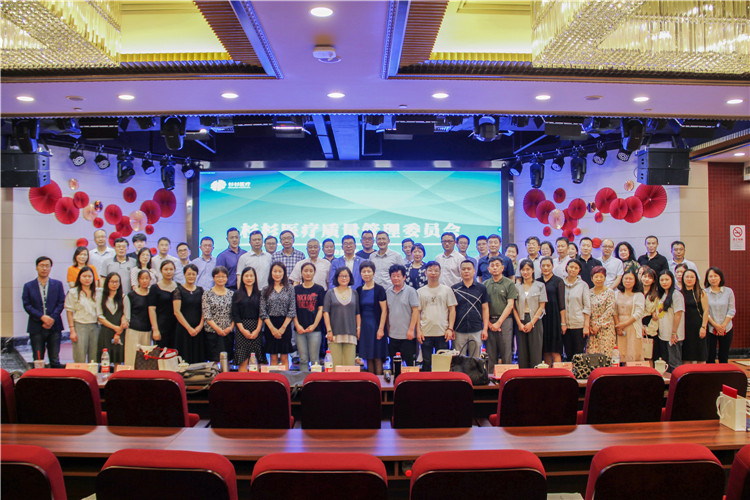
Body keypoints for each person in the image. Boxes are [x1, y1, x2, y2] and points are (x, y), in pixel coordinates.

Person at [22, 256, 65, 368]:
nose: (44, 268)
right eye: (41, 266)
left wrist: (52, 318)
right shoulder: (28, 286)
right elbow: (27, 305)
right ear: (36, 267)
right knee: (38, 360)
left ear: (50, 268)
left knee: (55, 359)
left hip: (54, 327)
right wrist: (42, 317)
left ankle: (56, 379)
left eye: (47, 266)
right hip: (36, 327)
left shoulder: (58, 284)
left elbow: (61, 303)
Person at [417, 261, 457, 372]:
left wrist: (450, 329)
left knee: (443, 365)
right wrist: (418, 330)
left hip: (443, 333)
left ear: (440, 273)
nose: (433, 273)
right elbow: (417, 312)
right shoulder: (420, 291)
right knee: (426, 363)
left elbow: (452, 310)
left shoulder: (447, 290)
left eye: (436, 270)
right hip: (425, 333)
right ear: (425, 272)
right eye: (430, 270)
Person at [484, 256, 517, 370]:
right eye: (492, 266)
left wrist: (498, 323)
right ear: (488, 269)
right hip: (489, 322)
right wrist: (488, 324)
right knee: (490, 355)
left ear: (502, 268)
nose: (495, 268)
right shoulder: (485, 284)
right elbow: (483, 306)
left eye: (497, 265)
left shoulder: (509, 283)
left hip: (505, 322)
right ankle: (490, 379)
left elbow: (510, 305)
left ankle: (507, 377)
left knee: (506, 353)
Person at [323, 267, 361, 367]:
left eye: (346, 276)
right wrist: (329, 330)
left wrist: (358, 328)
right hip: (334, 334)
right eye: (341, 276)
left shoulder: (355, 293)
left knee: (349, 366)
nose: (344, 278)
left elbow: (357, 313)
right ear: (336, 277)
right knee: (335, 366)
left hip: (350, 333)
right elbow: (326, 312)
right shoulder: (330, 293)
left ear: (350, 277)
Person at [261, 262, 296, 367]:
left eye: (280, 271)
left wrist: (282, 328)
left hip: (285, 324)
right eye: (275, 271)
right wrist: (272, 329)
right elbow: (263, 311)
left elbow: (292, 309)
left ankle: (285, 377)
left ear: (284, 273)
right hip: (270, 324)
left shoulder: (290, 288)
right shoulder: (265, 289)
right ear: (271, 273)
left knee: (285, 357)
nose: (277, 274)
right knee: (273, 357)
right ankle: (274, 377)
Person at [513, 259, 547, 368]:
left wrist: (532, 323)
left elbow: (542, 306)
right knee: (522, 353)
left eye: (528, 269)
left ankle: (535, 376)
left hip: (535, 321)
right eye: (523, 270)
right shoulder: (516, 287)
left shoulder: (540, 285)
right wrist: (519, 323)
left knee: (535, 352)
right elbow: (513, 307)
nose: (525, 272)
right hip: (521, 321)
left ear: (532, 270)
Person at [452, 260, 488, 358]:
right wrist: (451, 329)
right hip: (459, 330)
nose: (466, 271)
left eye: (469, 269)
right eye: (463, 269)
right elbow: (452, 311)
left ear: (474, 271)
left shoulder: (482, 288)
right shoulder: (454, 289)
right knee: (459, 361)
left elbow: (485, 309)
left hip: (476, 330)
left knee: (475, 361)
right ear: (460, 271)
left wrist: (485, 329)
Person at [356, 261, 388, 374]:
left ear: (373, 273)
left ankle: (380, 382)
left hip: (376, 325)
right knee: (368, 356)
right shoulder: (358, 290)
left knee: (378, 356)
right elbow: (358, 312)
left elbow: (384, 310)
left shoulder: (379, 289)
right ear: (360, 273)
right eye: (363, 271)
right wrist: (358, 328)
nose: (366, 274)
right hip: (364, 327)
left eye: (369, 271)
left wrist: (381, 329)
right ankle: (371, 382)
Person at [386, 264, 420, 367]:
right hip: (393, 335)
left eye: (398, 276)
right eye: (393, 276)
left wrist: (411, 330)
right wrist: (388, 329)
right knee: (394, 366)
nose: (396, 278)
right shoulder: (388, 292)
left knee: (409, 365)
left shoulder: (411, 291)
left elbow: (415, 311)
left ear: (404, 277)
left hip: (408, 336)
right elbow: (387, 312)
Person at [293, 263, 325, 371]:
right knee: (303, 359)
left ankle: (315, 381)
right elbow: (293, 309)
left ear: (314, 273)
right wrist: (297, 325)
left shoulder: (319, 289)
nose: (308, 273)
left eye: (311, 271)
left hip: (315, 329)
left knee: (315, 359)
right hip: (299, 330)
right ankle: (303, 380)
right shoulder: (296, 289)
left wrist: (314, 325)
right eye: (305, 271)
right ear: (301, 273)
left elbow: (320, 309)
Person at [65, 266, 100, 363]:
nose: (87, 279)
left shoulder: (98, 292)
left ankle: (93, 372)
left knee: (94, 357)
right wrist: (72, 330)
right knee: (79, 355)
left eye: (90, 276)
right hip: (80, 326)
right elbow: (69, 312)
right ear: (79, 278)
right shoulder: (73, 292)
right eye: (84, 276)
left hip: (95, 326)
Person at [173, 263, 205, 364]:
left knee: (198, 357)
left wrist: (200, 326)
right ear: (184, 275)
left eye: (193, 274)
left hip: (198, 329)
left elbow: (204, 310)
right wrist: (189, 328)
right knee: (184, 357)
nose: (191, 276)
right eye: (189, 274)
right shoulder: (179, 290)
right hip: (183, 329)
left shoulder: (201, 290)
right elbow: (177, 312)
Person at [233, 266, 263, 371]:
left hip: (256, 328)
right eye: (246, 276)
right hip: (241, 329)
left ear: (255, 277)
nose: (249, 278)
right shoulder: (237, 294)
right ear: (242, 278)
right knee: (243, 361)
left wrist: (257, 330)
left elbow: (262, 313)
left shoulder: (260, 294)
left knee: (256, 361)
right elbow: (235, 314)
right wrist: (242, 330)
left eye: (251, 275)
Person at [202, 266, 235, 362]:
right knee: (214, 360)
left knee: (227, 360)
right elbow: (206, 314)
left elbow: (235, 314)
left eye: (223, 276)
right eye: (218, 276)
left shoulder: (232, 294)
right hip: (212, 332)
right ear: (213, 278)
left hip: (228, 332)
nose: (221, 279)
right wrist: (218, 329)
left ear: (227, 278)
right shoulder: (207, 294)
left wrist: (230, 328)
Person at [704, 267, 735, 364]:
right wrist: (715, 325)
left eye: (715, 276)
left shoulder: (729, 291)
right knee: (710, 356)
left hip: (726, 328)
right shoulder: (704, 292)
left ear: (720, 277)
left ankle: (723, 373)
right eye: (710, 276)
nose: (713, 278)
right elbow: (705, 311)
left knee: (724, 356)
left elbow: (731, 310)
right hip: (710, 328)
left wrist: (723, 325)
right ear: (707, 278)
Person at [539, 256, 566, 365]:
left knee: (555, 350)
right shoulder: (537, 282)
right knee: (545, 350)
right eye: (543, 266)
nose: (546, 268)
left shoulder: (558, 281)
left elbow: (562, 304)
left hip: (555, 318)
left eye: (548, 265)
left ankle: (558, 373)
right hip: (541, 318)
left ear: (552, 266)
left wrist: (563, 322)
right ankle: (547, 373)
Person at [614, 270, 645, 362]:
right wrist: (618, 326)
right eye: (626, 278)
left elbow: (639, 313)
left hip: (633, 326)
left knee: (632, 353)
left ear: (635, 281)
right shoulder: (616, 294)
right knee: (619, 354)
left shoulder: (639, 295)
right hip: (618, 327)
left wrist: (624, 324)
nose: (628, 281)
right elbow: (614, 310)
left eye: (630, 279)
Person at [563, 259, 591, 361]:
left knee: (579, 355)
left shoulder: (583, 285)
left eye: (576, 268)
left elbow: (587, 306)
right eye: (571, 267)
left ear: (579, 270)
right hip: (565, 325)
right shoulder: (561, 283)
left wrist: (586, 326)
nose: (573, 270)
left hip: (579, 324)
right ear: (567, 267)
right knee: (568, 354)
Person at [657, 270, 684, 372]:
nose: (664, 282)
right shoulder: (662, 295)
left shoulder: (676, 294)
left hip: (674, 335)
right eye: (662, 280)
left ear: (672, 280)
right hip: (663, 334)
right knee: (666, 364)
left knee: (674, 364)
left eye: (667, 279)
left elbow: (678, 314)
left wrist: (674, 333)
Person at [124, 270, 153, 367]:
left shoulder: (152, 295)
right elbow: (126, 313)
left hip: (147, 330)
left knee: (145, 359)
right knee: (131, 358)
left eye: (147, 278)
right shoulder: (131, 295)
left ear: (150, 280)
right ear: (138, 280)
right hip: (133, 330)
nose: (144, 281)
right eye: (142, 278)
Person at [587, 266, 617, 358]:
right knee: (592, 356)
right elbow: (586, 309)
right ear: (592, 279)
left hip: (606, 328)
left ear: (605, 278)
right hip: (592, 329)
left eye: (601, 276)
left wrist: (598, 325)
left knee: (605, 356)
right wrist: (589, 325)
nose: (599, 279)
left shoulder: (609, 292)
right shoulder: (588, 292)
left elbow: (610, 310)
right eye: (596, 277)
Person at [97, 272, 127, 364]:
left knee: (118, 359)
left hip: (120, 332)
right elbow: (100, 317)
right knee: (105, 360)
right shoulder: (101, 297)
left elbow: (126, 315)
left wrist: (118, 332)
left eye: (117, 282)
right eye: (112, 282)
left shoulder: (124, 297)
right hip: (106, 331)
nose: (114, 284)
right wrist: (114, 327)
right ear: (107, 283)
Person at [680, 269, 709, 364]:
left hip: (698, 328)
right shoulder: (679, 293)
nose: (689, 279)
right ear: (683, 278)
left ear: (696, 279)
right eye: (687, 277)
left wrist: (703, 327)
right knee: (686, 356)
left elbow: (706, 311)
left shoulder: (701, 292)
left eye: (692, 277)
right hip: (684, 329)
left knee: (700, 356)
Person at [148, 260, 178, 349]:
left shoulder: (179, 287)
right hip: (161, 326)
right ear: (161, 271)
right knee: (161, 353)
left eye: (171, 269)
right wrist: (155, 329)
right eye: (166, 269)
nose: (169, 272)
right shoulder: (155, 288)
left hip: (176, 326)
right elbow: (151, 309)